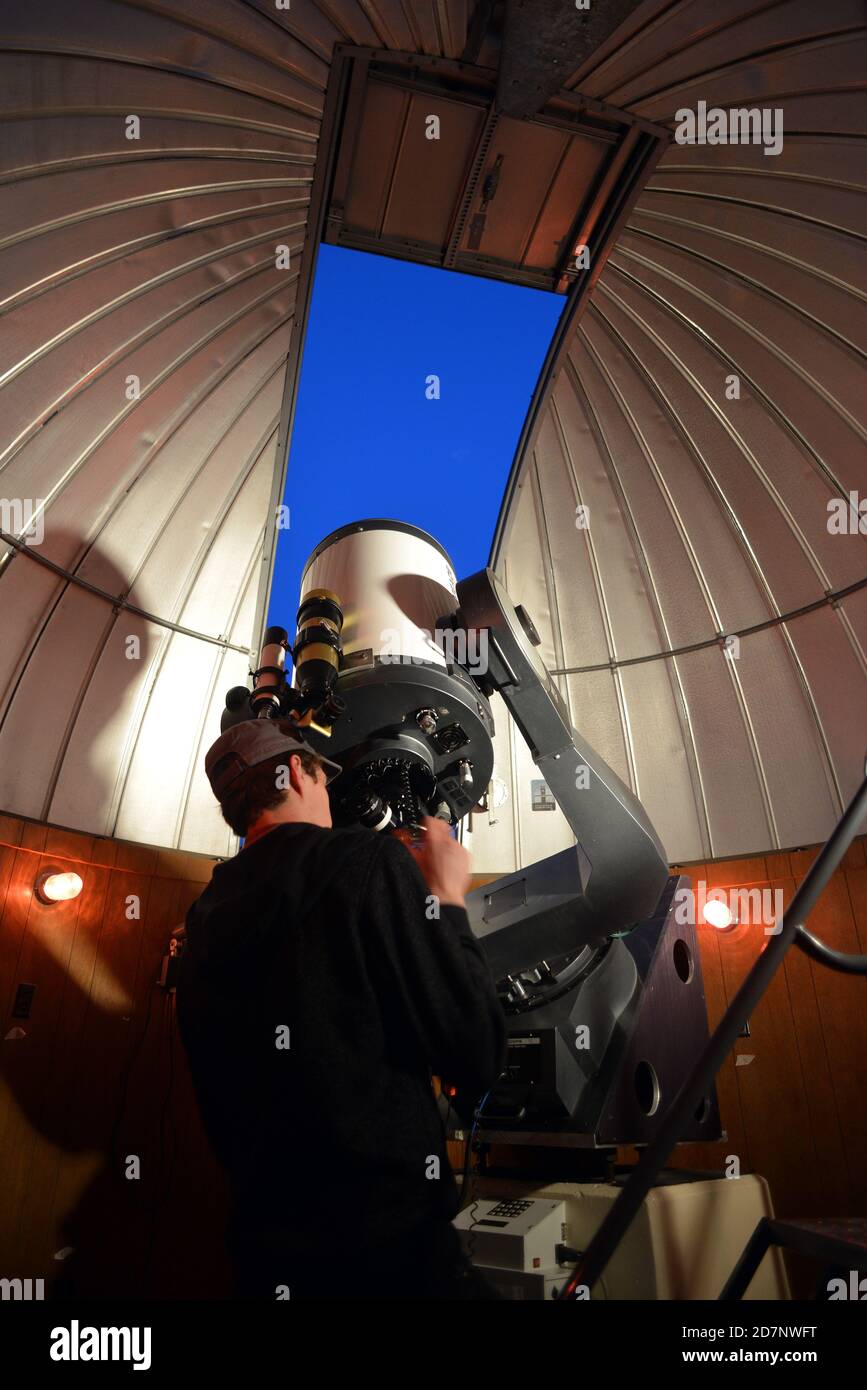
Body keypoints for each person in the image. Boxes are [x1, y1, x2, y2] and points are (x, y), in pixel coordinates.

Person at [176, 717, 507, 1300]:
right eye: (322, 776)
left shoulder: (204, 917)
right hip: (389, 1256)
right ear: (299, 772)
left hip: (265, 1253)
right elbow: (473, 1048)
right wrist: (449, 900)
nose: (330, 791)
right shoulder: (364, 860)